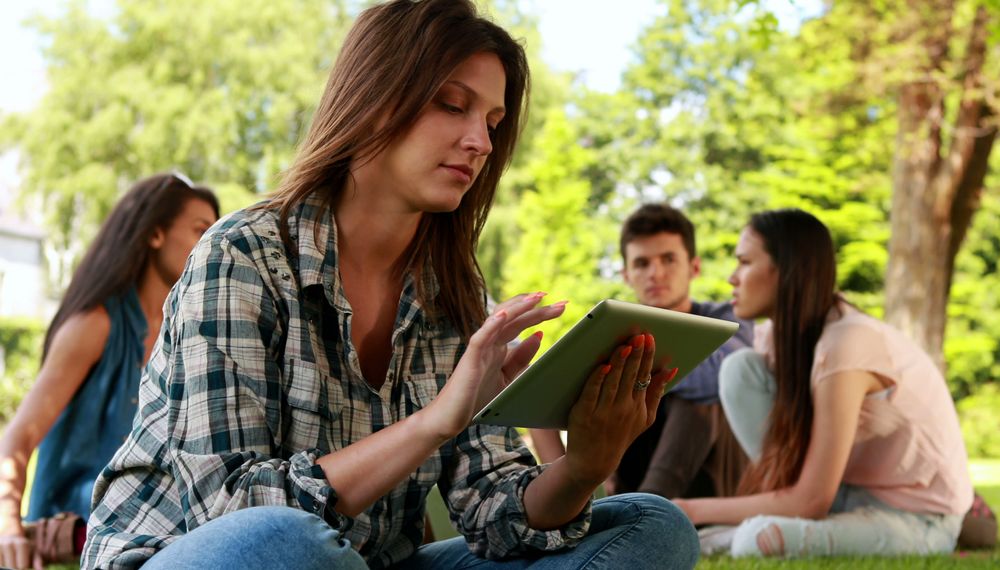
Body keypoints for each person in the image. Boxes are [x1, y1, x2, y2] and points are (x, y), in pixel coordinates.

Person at [82, 1, 699, 569]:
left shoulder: (455, 297)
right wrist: (432, 422)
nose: (480, 142)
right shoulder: (241, 255)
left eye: (492, 120)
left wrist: (585, 464)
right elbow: (231, 508)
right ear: (374, 98)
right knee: (286, 539)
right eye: (452, 105)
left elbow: (495, 513)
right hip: (197, 554)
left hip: (365, 564)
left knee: (653, 524)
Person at [675, 208, 974, 558]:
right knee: (738, 369)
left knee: (755, 539)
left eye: (744, 262)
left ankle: (754, 528)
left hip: (917, 517)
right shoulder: (775, 336)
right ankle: (758, 525)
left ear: (787, 271)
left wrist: (690, 510)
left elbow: (813, 500)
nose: (732, 277)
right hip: (844, 495)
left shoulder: (848, 343)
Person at [0, 173, 219, 570]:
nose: (212, 245)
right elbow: (17, 438)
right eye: (200, 231)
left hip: (152, 548)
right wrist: (8, 530)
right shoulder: (95, 325)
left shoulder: (191, 337)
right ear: (155, 234)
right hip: (67, 549)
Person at [531, 204, 753, 500]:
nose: (656, 273)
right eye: (642, 263)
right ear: (626, 274)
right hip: (631, 476)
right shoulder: (615, 331)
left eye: (669, 259)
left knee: (701, 392)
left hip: (716, 487)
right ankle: (576, 507)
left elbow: (722, 378)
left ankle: (650, 507)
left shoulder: (725, 320)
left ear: (695, 267)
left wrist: (632, 367)